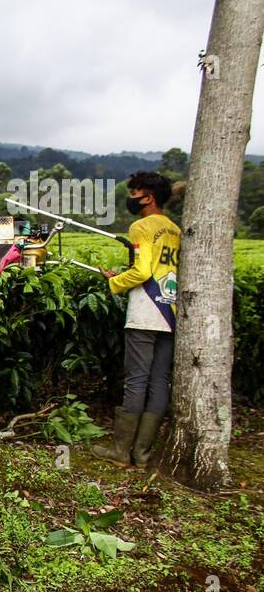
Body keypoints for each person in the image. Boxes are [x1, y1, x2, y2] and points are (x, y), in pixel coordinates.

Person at [91, 172, 180, 467]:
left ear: (148, 197)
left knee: (136, 380)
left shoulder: (141, 226)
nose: (131, 198)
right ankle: (142, 454)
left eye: (135, 192)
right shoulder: (174, 229)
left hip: (145, 311)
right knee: (159, 381)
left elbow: (142, 272)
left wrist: (115, 281)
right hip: (170, 312)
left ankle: (120, 451)